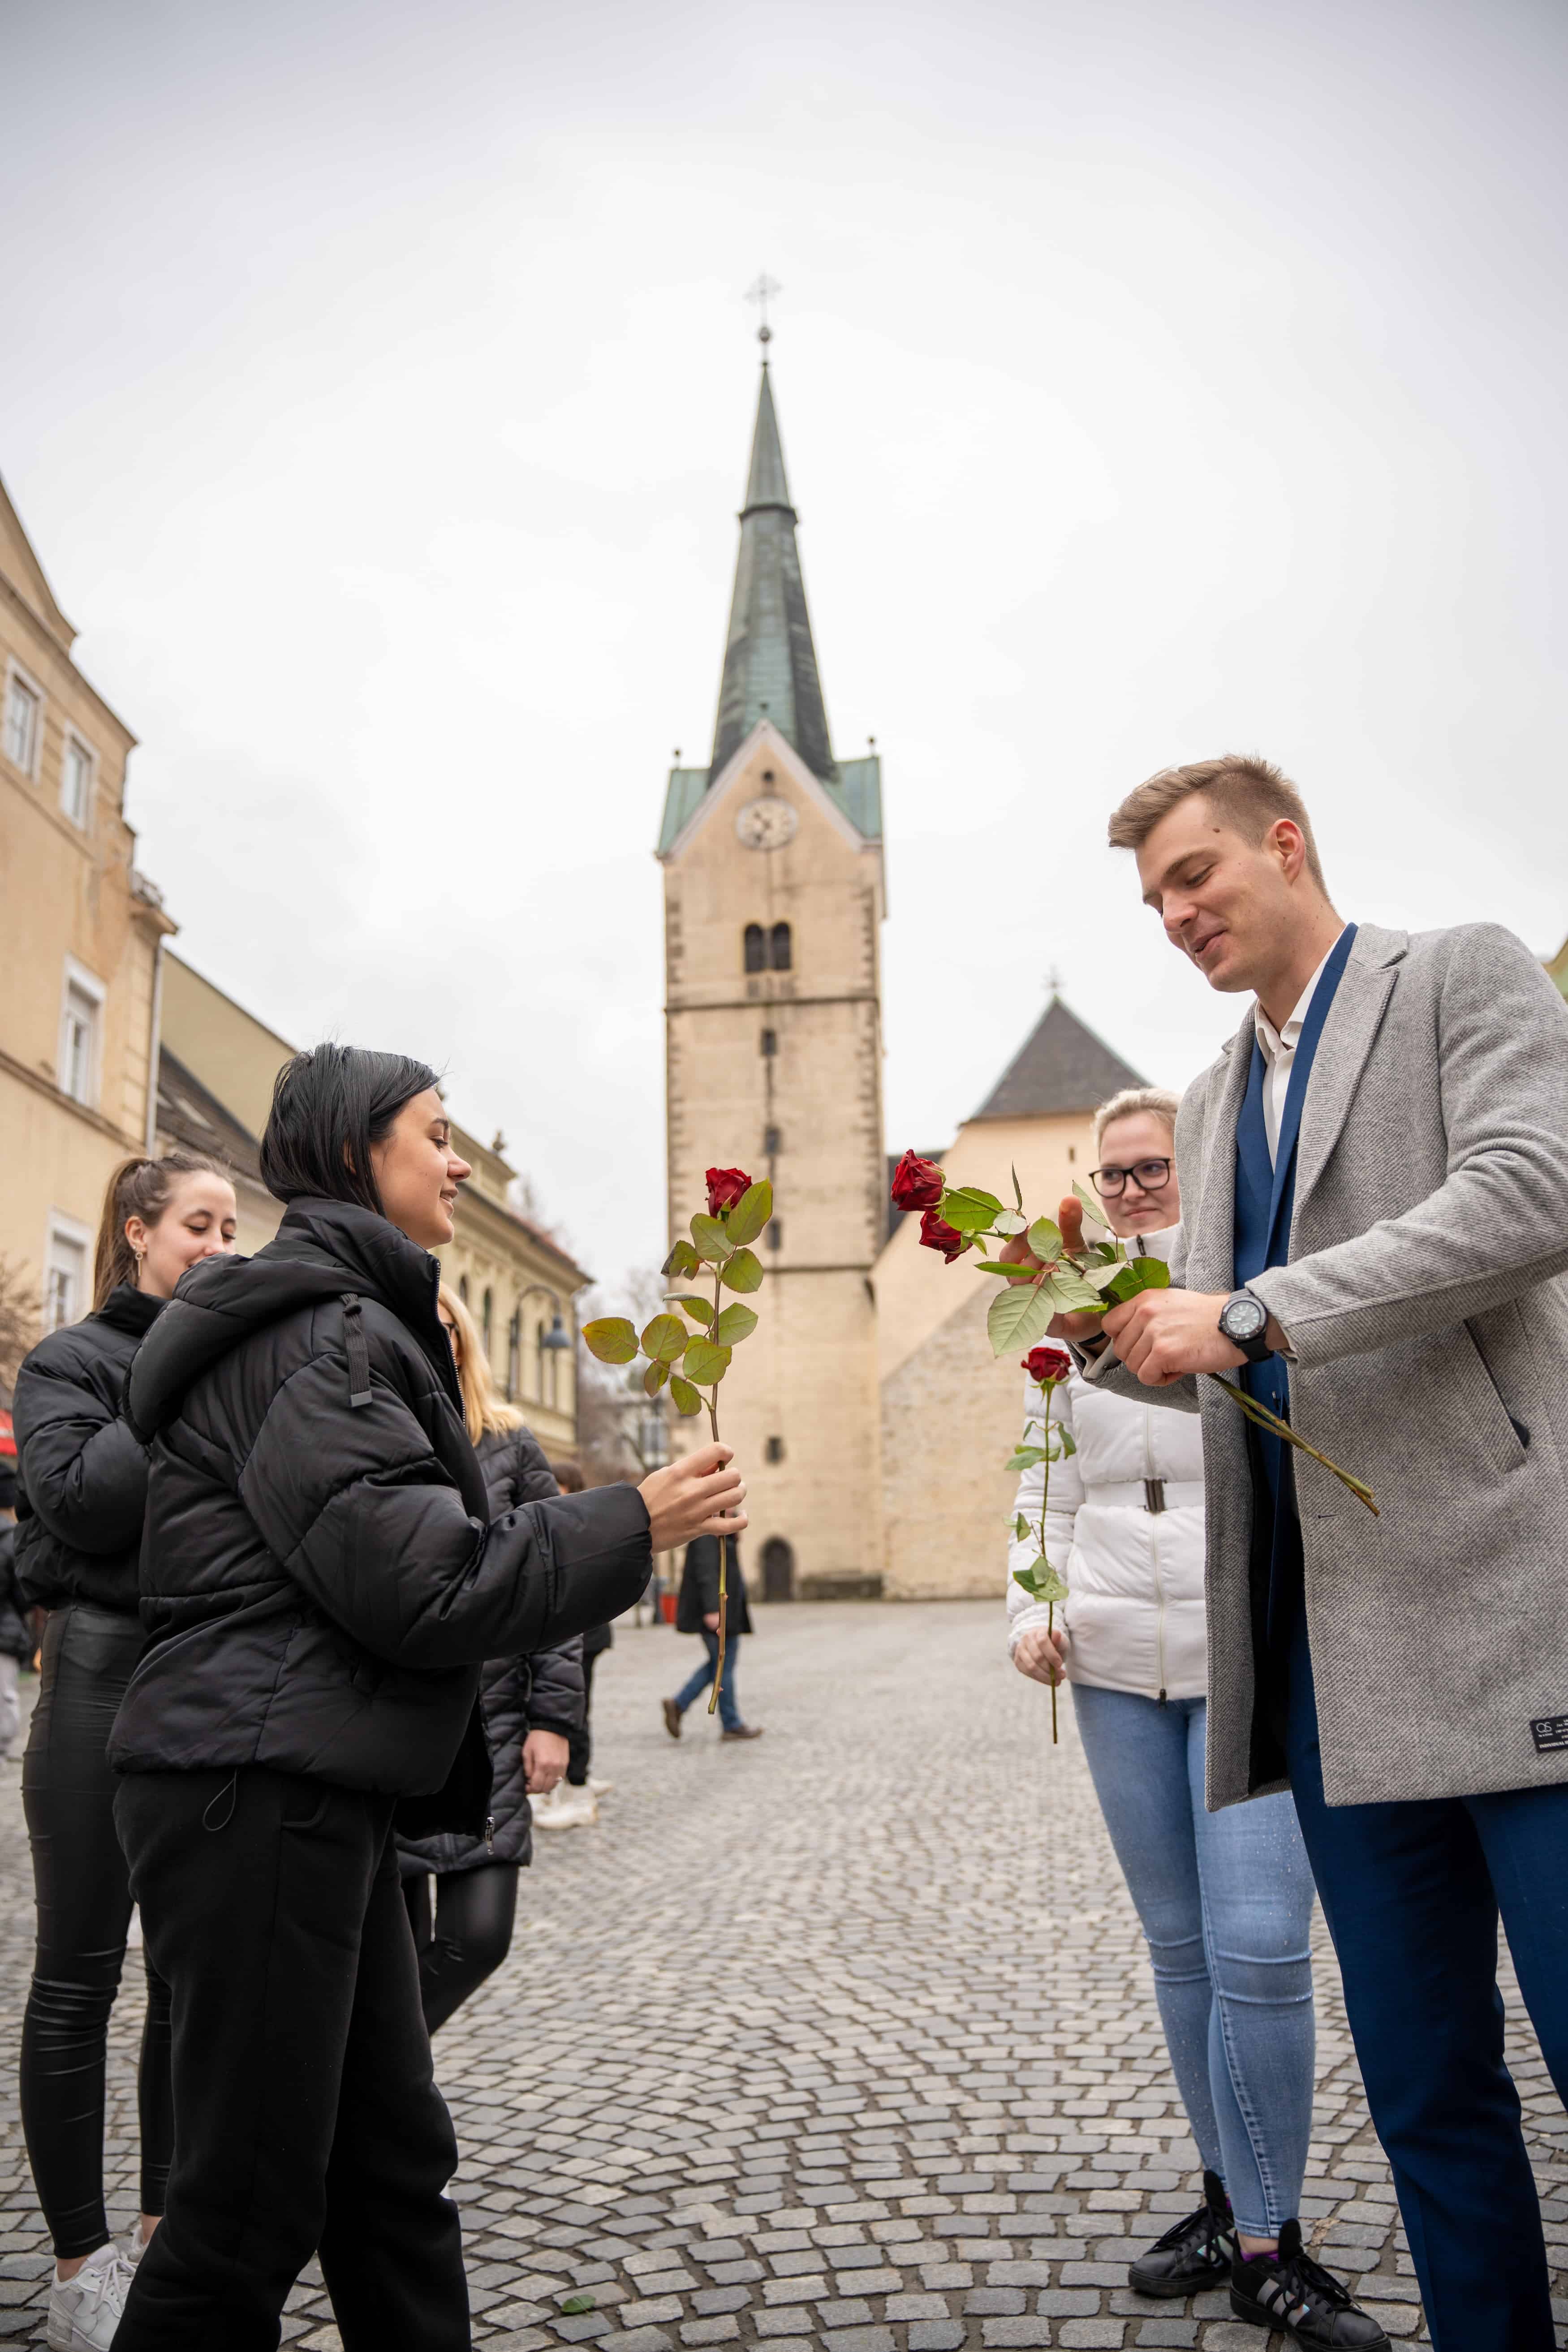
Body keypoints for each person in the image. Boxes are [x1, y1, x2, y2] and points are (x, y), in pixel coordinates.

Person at [1033, 754, 1568, 2352]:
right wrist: (1113, 1336)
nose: (1178, 914)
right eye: (1154, 901)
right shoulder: (1209, 1097)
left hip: (1503, 1618)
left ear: (1286, 842)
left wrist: (1255, 1311)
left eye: (1198, 874)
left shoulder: (1455, 972)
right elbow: (1219, 1351)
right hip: (1324, 1667)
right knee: (1423, 2090)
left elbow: (1531, 1196)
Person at [104, 1044, 746, 2352]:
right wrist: (631, 1516)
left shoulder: (339, 1320)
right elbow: (423, 1586)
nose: (458, 1162)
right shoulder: (316, 1336)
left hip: (311, 1790)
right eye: (434, 1134)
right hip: (256, 1787)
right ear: (358, 1153)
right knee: (239, 2219)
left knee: (390, 2178)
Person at [1008, 1089, 1380, 2339]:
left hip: (1242, 1655)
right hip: (1115, 1664)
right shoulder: (1063, 1323)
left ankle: (1274, 2238)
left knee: (1262, 1946)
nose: (1128, 1191)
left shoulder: (1245, 1287)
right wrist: (1032, 1608)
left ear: (1195, 1168)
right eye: (1109, 1176)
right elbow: (1041, 1485)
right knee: (1178, 1946)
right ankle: (1226, 2197)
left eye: (1150, 1167)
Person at [9, 1151, 237, 2352]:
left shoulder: (234, 1365)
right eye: (197, 1224)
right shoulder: (71, 1364)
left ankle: (165, 2232)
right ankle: (80, 2259)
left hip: (210, 1672)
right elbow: (92, 1504)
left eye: (230, 1228)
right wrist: (179, 1364)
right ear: (137, 1231)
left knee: (190, 1977)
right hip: (101, 1672)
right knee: (79, 1975)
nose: (217, 1245)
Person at [397, 1284, 585, 2030]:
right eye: (418, 1325)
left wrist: (554, 1717)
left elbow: (555, 1588)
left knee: (477, 1939)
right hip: (393, 1731)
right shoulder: (372, 1434)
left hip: (495, 1728)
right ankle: (377, 2111)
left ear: (467, 1338)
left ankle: (369, 2087)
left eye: (447, 1326)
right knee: (393, 1956)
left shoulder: (512, 1443)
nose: (435, 1339)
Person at [662, 1533, 761, 1740]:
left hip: (727, 1613)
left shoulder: (722, 1531)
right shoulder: (708, 1533)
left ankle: (679, 1704)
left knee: (719, 1665)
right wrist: (712, 1609)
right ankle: (731, 1723)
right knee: (723, 1666)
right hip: (718, 1614)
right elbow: (706, 1571)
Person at [0, 1452, 30, 1757]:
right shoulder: (10, 1536)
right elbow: (22, 1591)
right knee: (6, 1692)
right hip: (5, 1627)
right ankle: (6, 1746)